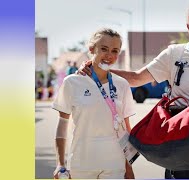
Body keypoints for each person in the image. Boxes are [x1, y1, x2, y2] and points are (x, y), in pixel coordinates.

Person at [78, 2, 189, 179]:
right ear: (188, 28)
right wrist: (98, 70)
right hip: (181, 147)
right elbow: (136, 78)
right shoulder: (174, 54)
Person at [52, 28, 136, 179]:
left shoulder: (122, 85)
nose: (109, 55)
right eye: (104, 49)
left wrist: (128, 167)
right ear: (92, 49)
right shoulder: (72, 82)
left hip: (114, 166)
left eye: (115, 51)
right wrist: (60, 163)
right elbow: (62, 126)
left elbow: (126, 130)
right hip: (81, 165)